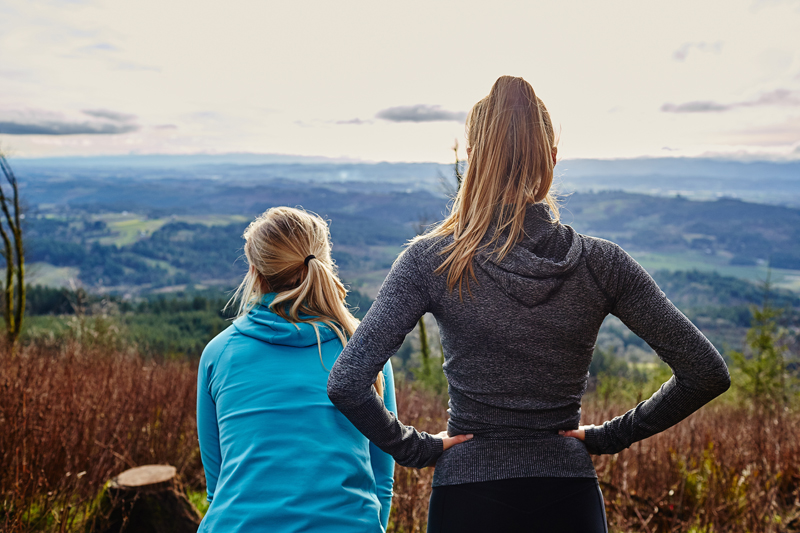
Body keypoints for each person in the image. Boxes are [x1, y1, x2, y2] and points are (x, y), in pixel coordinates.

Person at [327, 76, 731, 533]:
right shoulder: (603, 264)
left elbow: (346, 382)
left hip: (466, 498)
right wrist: (607, 437)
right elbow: (706, 372)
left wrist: (417, 450)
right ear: (553, 158)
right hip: (568, 498)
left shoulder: (433, 260)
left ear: (473, 157)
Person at [197, 206, 396, 532]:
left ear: (255, 272)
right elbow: (381, 479)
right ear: (324, 263)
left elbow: (217, 486)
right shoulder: (361, 351)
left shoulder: (219, 353)